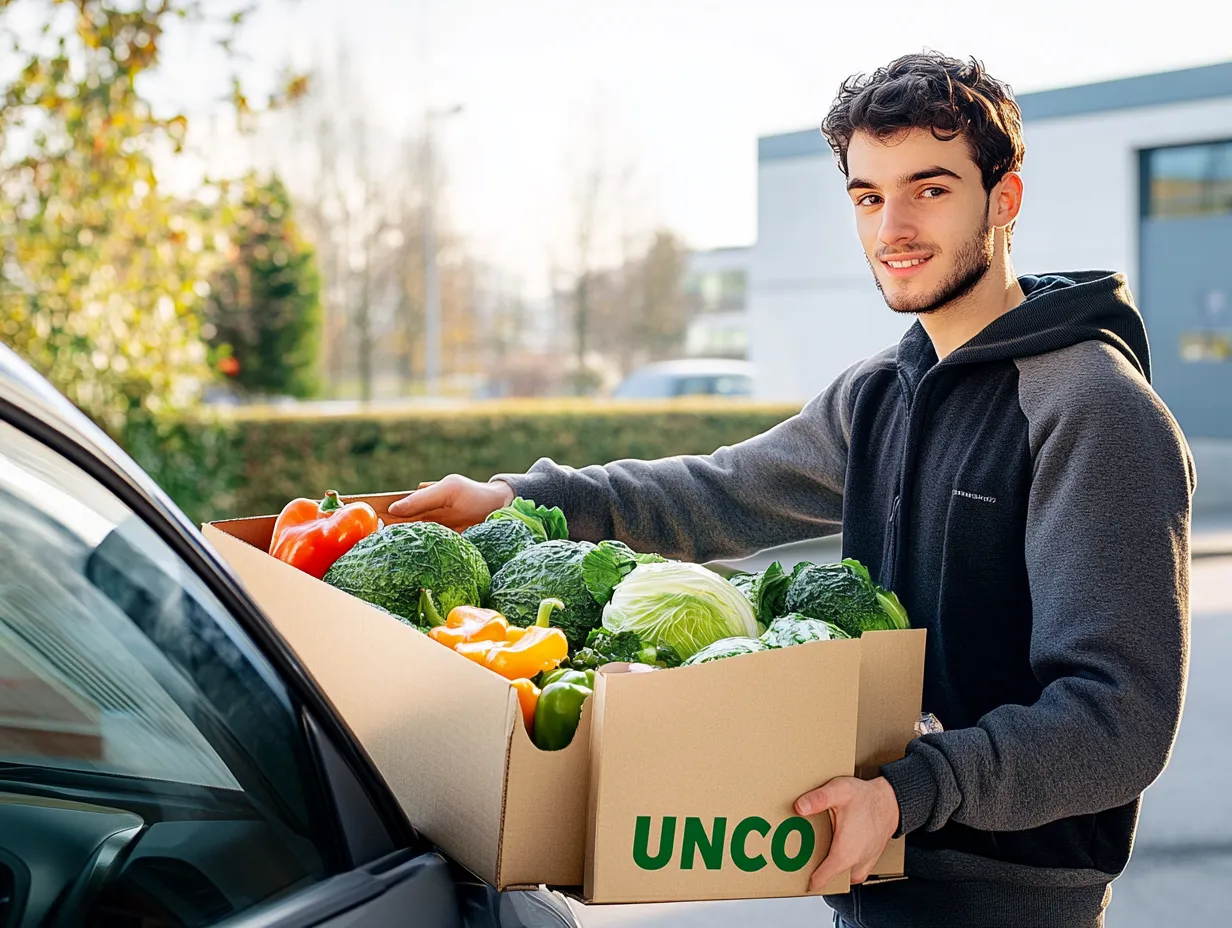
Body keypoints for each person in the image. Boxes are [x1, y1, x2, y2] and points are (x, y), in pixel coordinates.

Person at [390, 52, 1194, 928]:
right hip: (871, 860)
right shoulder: (882, 392)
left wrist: (911, 791)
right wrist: (520, 500)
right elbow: (717, 493)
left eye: (930, 189)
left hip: (1006, 899)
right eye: (868, 195)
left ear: (1004, 200)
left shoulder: (1093, 409)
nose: (894, 226)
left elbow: (1118, 716)